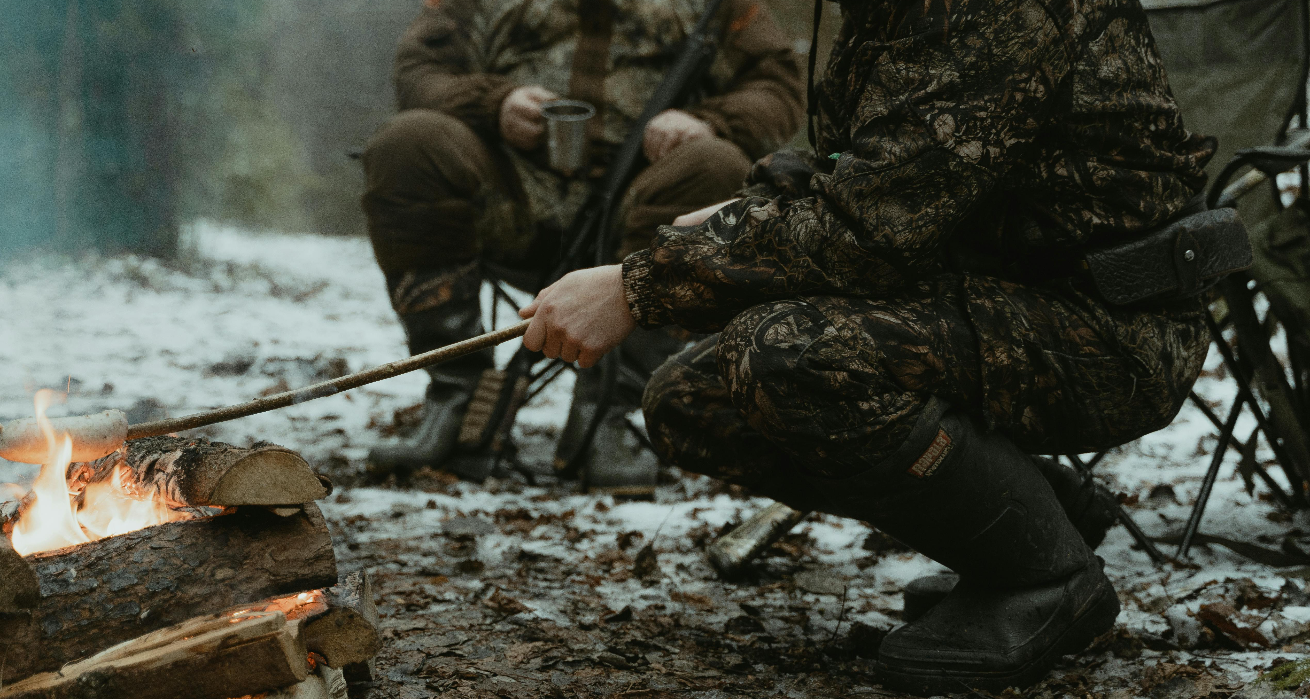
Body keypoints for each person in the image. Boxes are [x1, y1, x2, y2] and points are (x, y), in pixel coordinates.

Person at [516, 0, 1216, 692]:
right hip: (998, 296)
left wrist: (637, 287)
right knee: (690, 399)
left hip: (1110, 326)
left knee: (789, 357)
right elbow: (863, 161)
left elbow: (862, 237)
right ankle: (1038, 515)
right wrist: (754, 202)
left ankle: (1045, 580)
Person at [361, 0, 804, 494]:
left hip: (642, 207)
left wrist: (709, 122)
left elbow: (778, 87)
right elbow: (419, 71)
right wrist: (495, 103)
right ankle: (455, 394)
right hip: (509, 199)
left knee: (715, 163)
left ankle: (613, 413)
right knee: (409, 143)